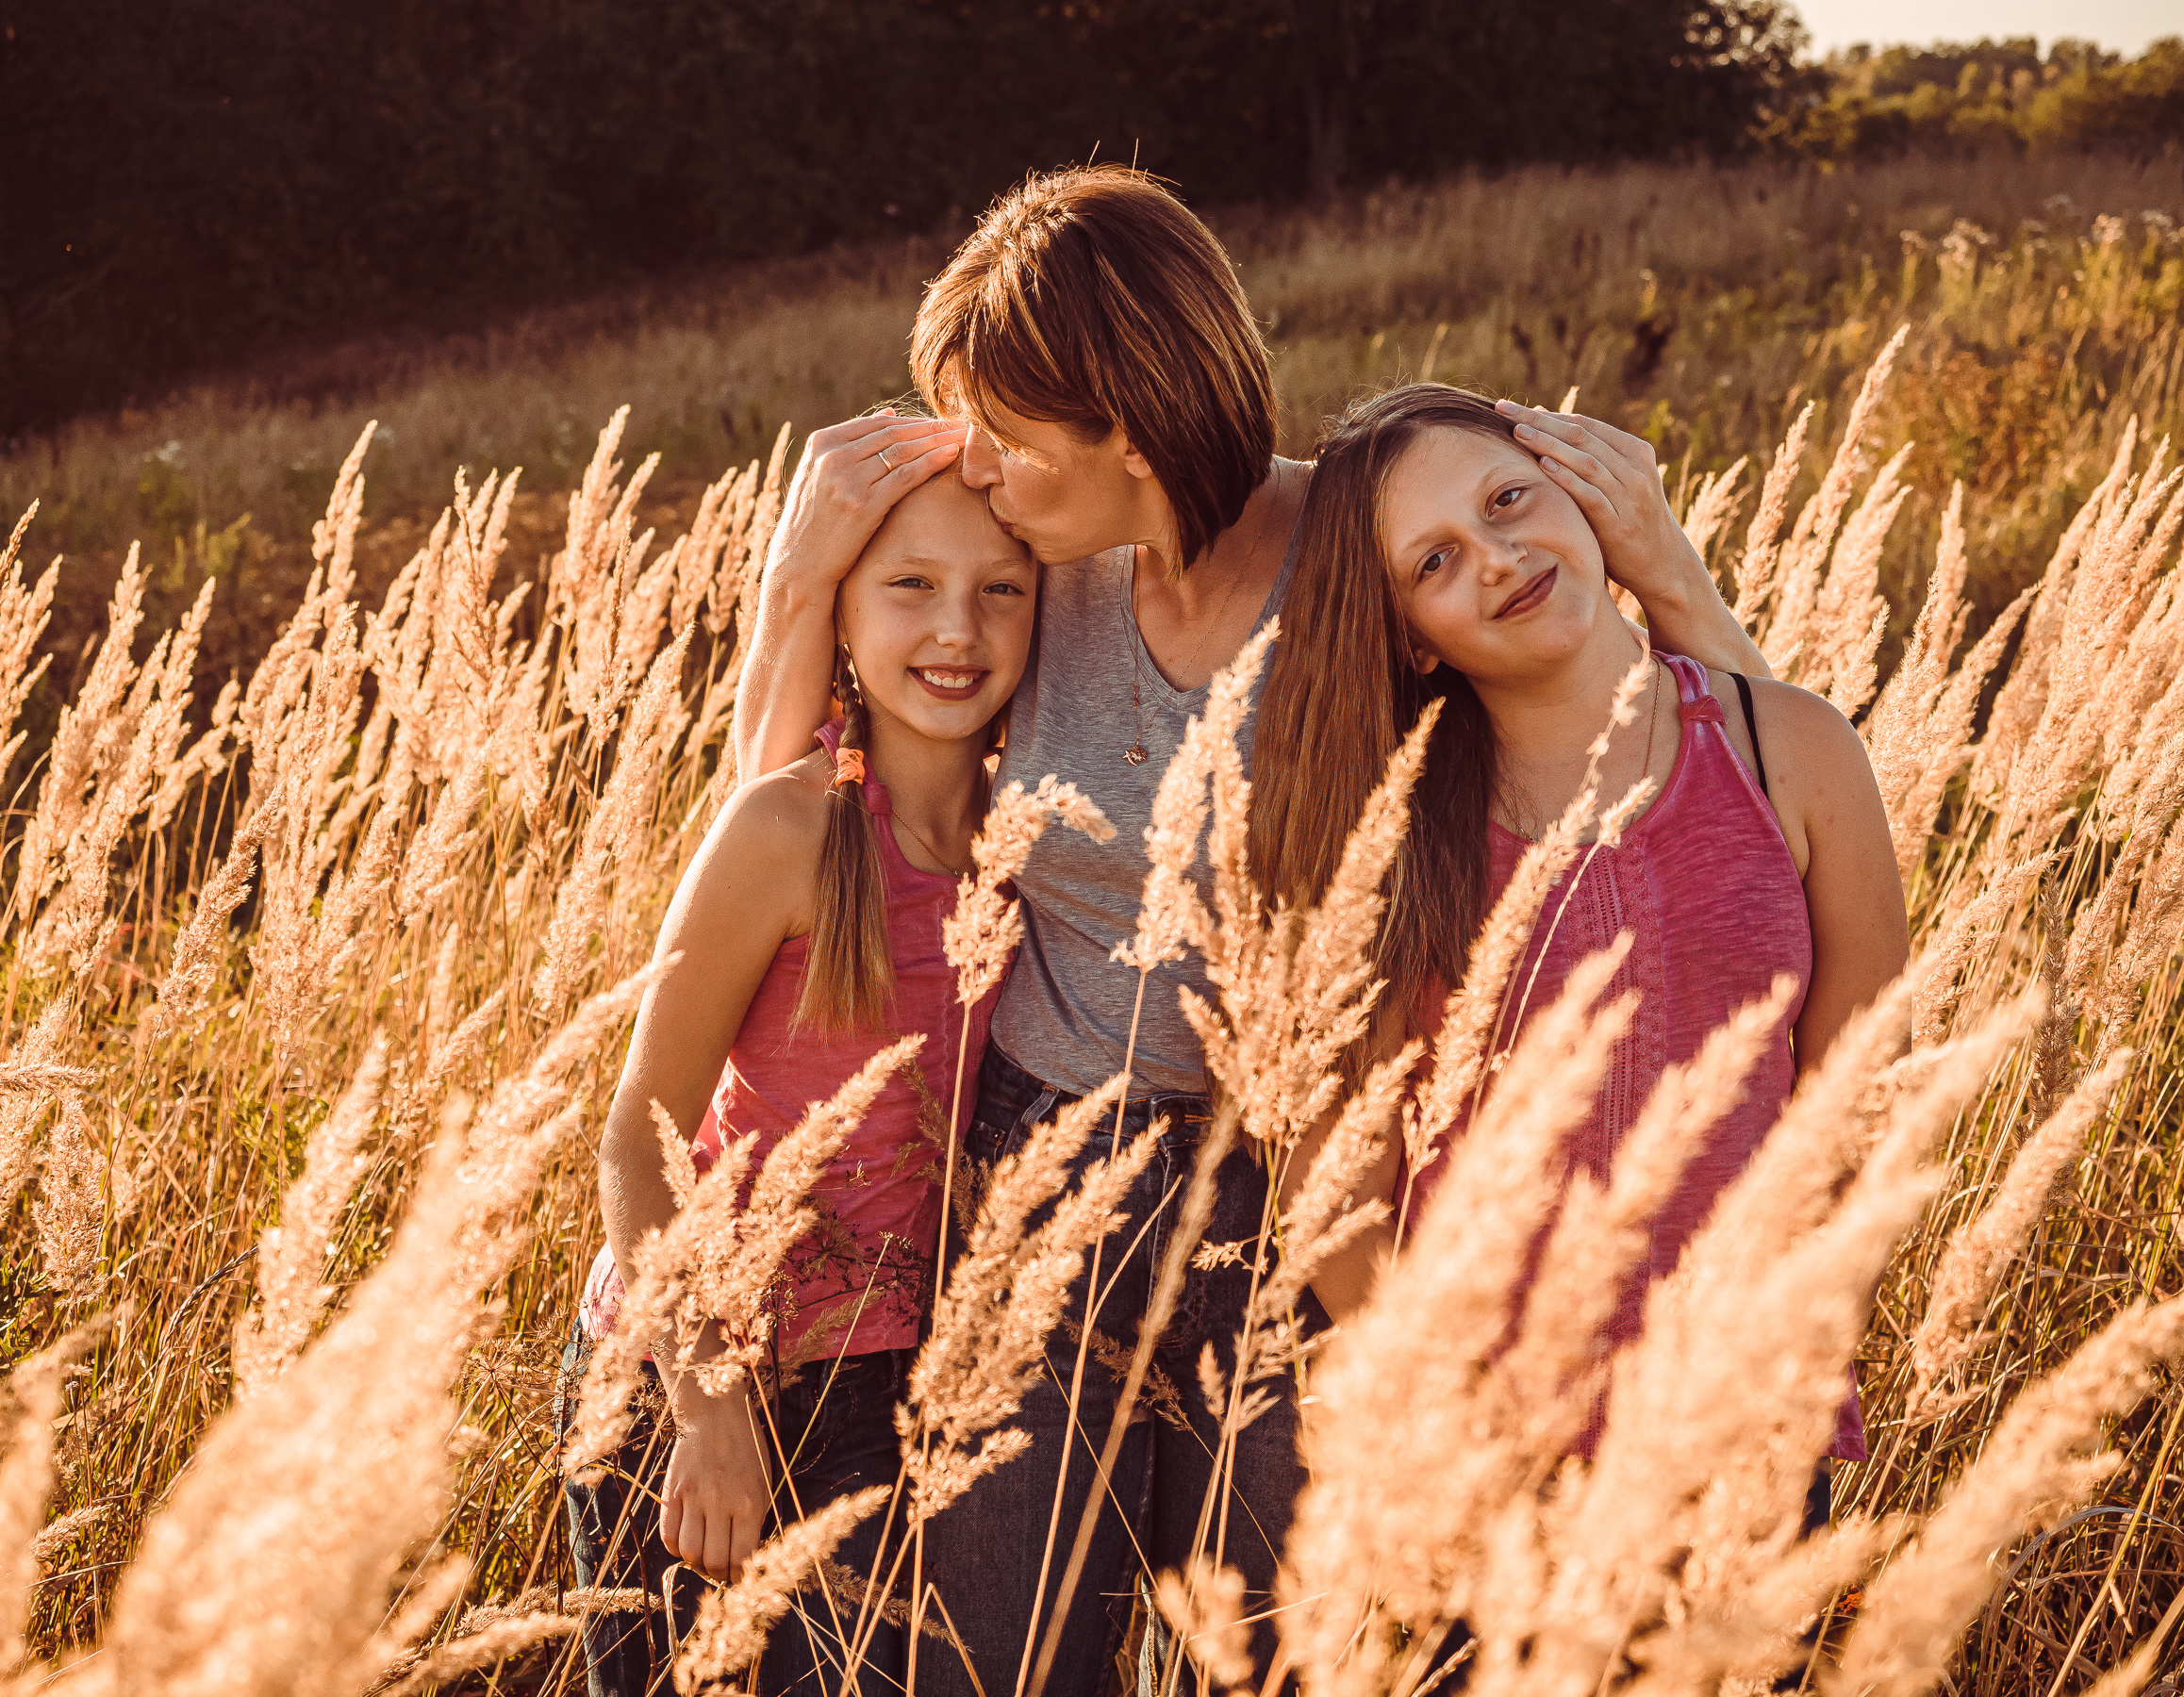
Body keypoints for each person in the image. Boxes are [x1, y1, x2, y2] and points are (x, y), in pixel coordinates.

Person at [735, 167, 1771, 1696]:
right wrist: (794, 582)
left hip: (1311, 1204)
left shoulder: (1362, 561)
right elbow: (790, 826)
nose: (982, 472)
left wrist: (1670, 573)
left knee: (1309, 1661)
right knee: (1008, 1667)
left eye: (1013, 441)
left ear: (1132, 427)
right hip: (1039, 1179)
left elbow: (1728, 797)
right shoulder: (1026, 576)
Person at [1249, 382, 1909, 1557]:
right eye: (1436, 563)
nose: (1498, 558)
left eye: (1511, 499)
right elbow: (1337, 1189)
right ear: (1410, 635)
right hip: (1497, 1473)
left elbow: (1860, 1088)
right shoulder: (1392, 844)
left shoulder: (1791, 748)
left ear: (1581, 490)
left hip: (1747, 1429)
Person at [557, 470, 1037, 1697]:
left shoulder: (1024, 839)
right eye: (911, 588)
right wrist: (711, 1400)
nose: (957, 631)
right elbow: (636, 1133)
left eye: (1002, 593)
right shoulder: (789, 830)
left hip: (878, 1379)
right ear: (843, 615)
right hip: (696, 1371)